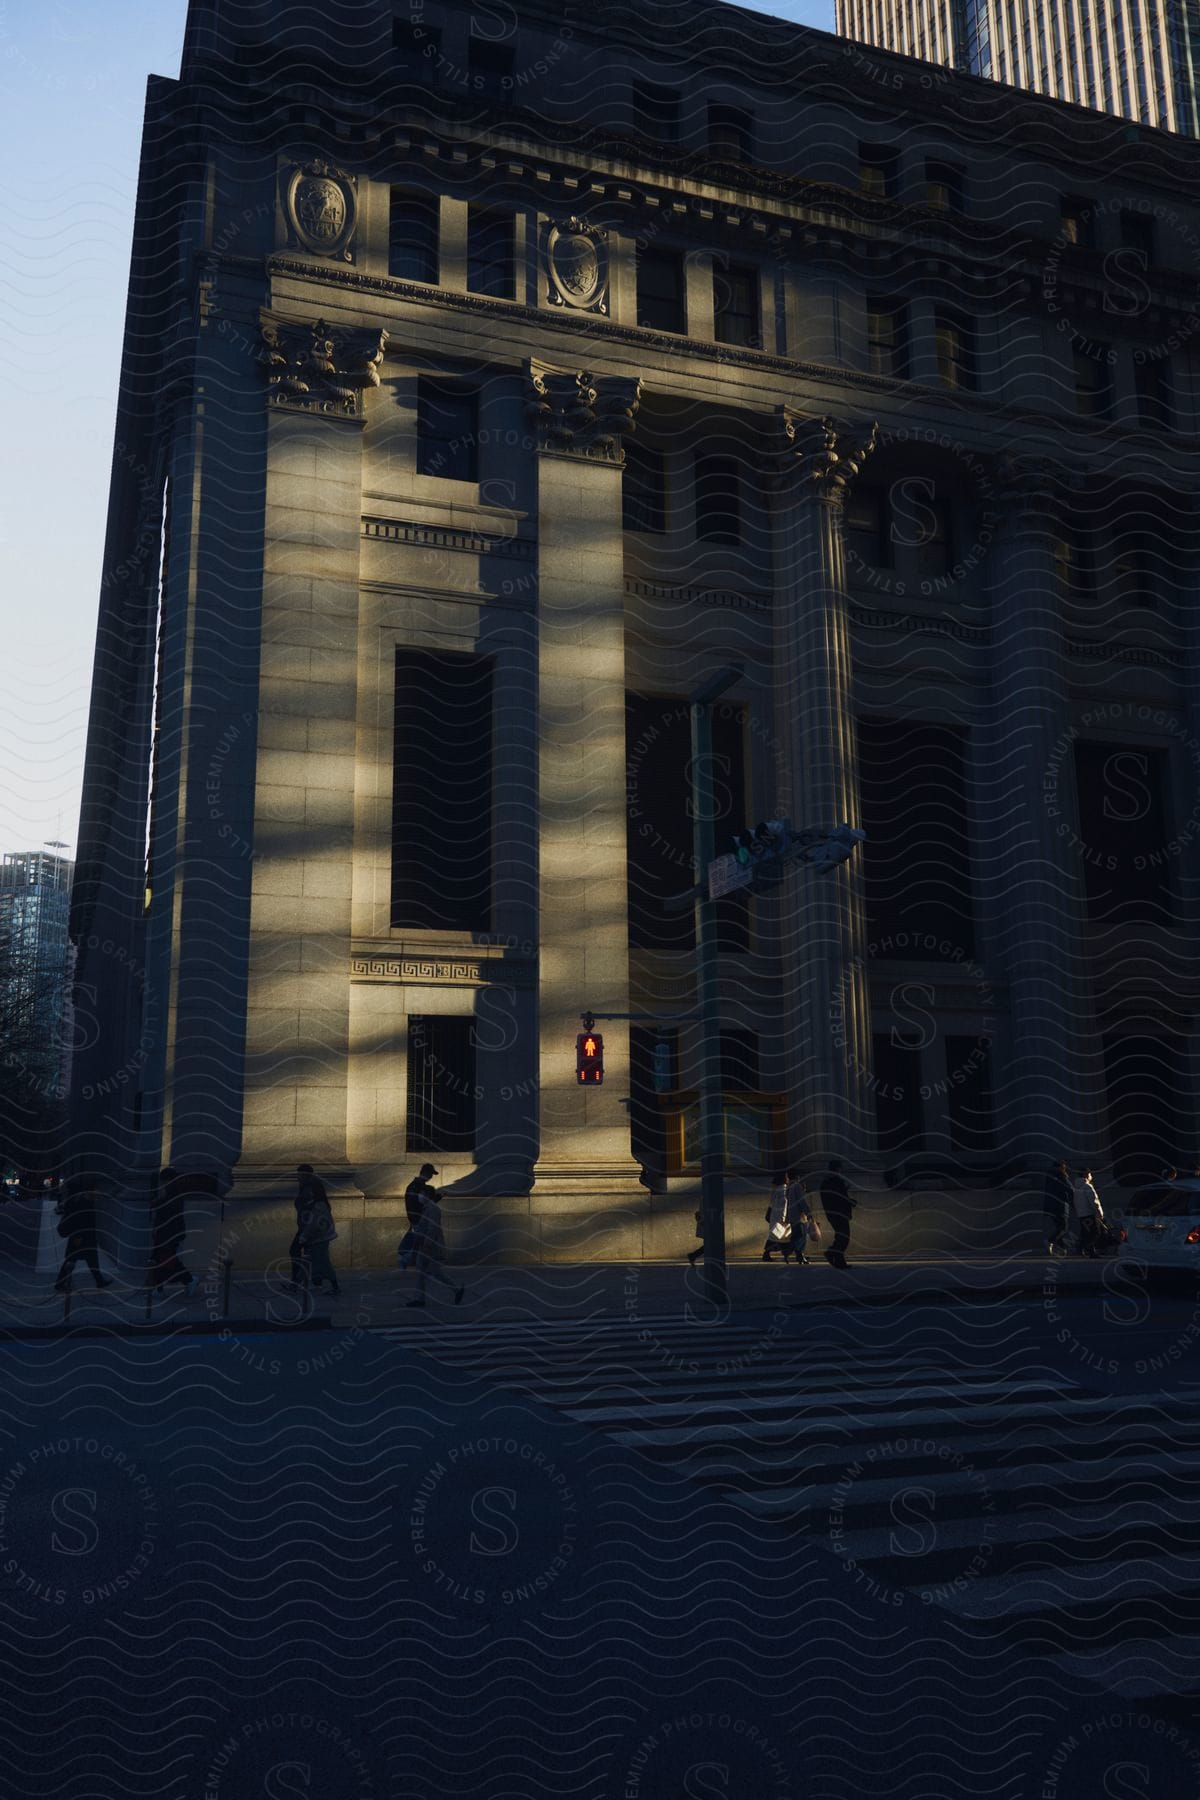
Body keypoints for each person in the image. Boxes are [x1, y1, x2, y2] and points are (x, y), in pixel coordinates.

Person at [405, 1185, 464, 1309]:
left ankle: (456, 1290)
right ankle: (419, 1299)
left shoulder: (433, 1209)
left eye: (421, 1193)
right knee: (421, 1272)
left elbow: (433, 1228)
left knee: (435, 1272)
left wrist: (426, 1244)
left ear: (427, 1194)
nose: (419, 1196)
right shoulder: (428, 1208)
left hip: (430, 1247)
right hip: (425, 1246)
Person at [54, 1177, 112, 1292]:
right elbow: (80, 1221)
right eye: (96, 1190)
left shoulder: (84, 1201)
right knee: (72, 1260)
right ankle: (60, 1284)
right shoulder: (83, 1202)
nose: (97, 1192)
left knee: (91, 1260)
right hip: (81, 1237)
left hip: (85, 1237)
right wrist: (78, 1237)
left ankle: (99, 1281)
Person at [151, 1168, 197, 1296]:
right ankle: (159, 1287)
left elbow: (169, 1208)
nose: (162, 1183)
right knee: (161, 1259)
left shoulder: (173, 1192)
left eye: (164, 1181)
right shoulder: (172, 1191)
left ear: (168, 1180)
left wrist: (156, 1203)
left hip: (169, 1233)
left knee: (165, 1260)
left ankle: (189, 1280)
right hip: (167, 1232)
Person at [298, 1181, 340, 1295]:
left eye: (310, 1190)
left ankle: (334, 1286)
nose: (307, 1192)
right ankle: (317, 1284)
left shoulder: (318, 1205)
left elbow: (314, 1224)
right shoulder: (318, 1204)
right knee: (316, 1262)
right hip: (318, 1238)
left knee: (323, 1262)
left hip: (318, 1239)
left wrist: (304, 1236)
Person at [290, 1164, 328, 1288]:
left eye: (299, 1174)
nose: (297, 1177)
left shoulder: (310, 1188)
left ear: (304, 1175)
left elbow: (313, 1209)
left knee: (297, 1251)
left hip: (308, 1227)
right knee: (313, 1255)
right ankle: (313, 1281)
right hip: (306, 1226)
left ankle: (296, 1282)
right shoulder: (306, 1186)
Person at [398, 1162, 438, 1271]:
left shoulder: (418, 1185)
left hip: (419, 1218)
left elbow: (423, 1203)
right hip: (418, 1219)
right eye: (430, 1175)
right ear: (426, 1173)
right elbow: (415, 1204)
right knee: (417, 1241)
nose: (430, 1177)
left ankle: (407, 1260)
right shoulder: (415, 1186)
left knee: (417, 1242)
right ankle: (404, 1258)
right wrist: (415, 1219)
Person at [820, 1159, 856, 1269]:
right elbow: (840, 1198)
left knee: (840, 1237)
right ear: (838, 1169)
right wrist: (850, 1201)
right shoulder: (836, 1181)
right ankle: (832, 1253)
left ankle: (839, 1261)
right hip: (840, 1214)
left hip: (833, 1214)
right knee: (843, 1237)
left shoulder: (826, 1182)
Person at [1071, 1167, 1105, 1258]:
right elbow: (1094, 1201)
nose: (1091, 1177)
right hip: (1090, 1213)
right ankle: (1087, 1249)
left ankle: (1085, 1249)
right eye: (1090, 1174)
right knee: (1095, 1232)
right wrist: (1100, 1212)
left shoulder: (1076, 1188)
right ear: (1087, 1175)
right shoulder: (1087, 1186)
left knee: (1086, 1233)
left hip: (1081, 1214)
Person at [1042, 1159, 1073, 1257]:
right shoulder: (1062, 1175)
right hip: (1060, 1205)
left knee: (1059, 1227)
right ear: (1062, 1167)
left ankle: (1062, 1248)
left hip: (1049, 1206)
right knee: (1063, 1227)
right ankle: (1050, 1241)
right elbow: (1070, 1188)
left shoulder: (1049, 1176)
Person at [762, 1171, 794, 1263]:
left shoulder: (776, 1190)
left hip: (774, 1216)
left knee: (775, 1236)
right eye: (787, 1178)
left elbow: (771, 1203)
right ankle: (786, 1254)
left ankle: (768, 1254)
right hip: (780, 1217)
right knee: (784, 1236)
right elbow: (784, 1206)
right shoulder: (785, 1191)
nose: (788, 1180)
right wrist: (784, 1218)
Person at [785, 1167, 814, 1267]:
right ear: (797, 1177)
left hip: (793, 1215)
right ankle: (790, 1251)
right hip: (799, 1216)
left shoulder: (789, 1187)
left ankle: (799, 1256)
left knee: (797, 1236)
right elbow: (802, 1201)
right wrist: (808, 1213)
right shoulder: (797, 1186)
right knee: (801, 1237)